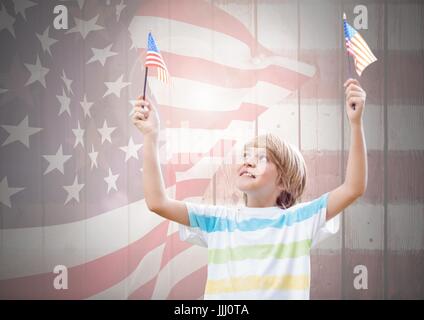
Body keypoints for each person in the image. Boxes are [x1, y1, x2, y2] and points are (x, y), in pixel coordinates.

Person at [131, 78, 368, 299]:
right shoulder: (218, 221)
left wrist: (355, 124)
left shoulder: (301, 220)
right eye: (246, 155)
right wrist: (150, 137)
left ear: (285, 180)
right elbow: (158, 203)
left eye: (262, 157)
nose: (248, 161)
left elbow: (353, 188)